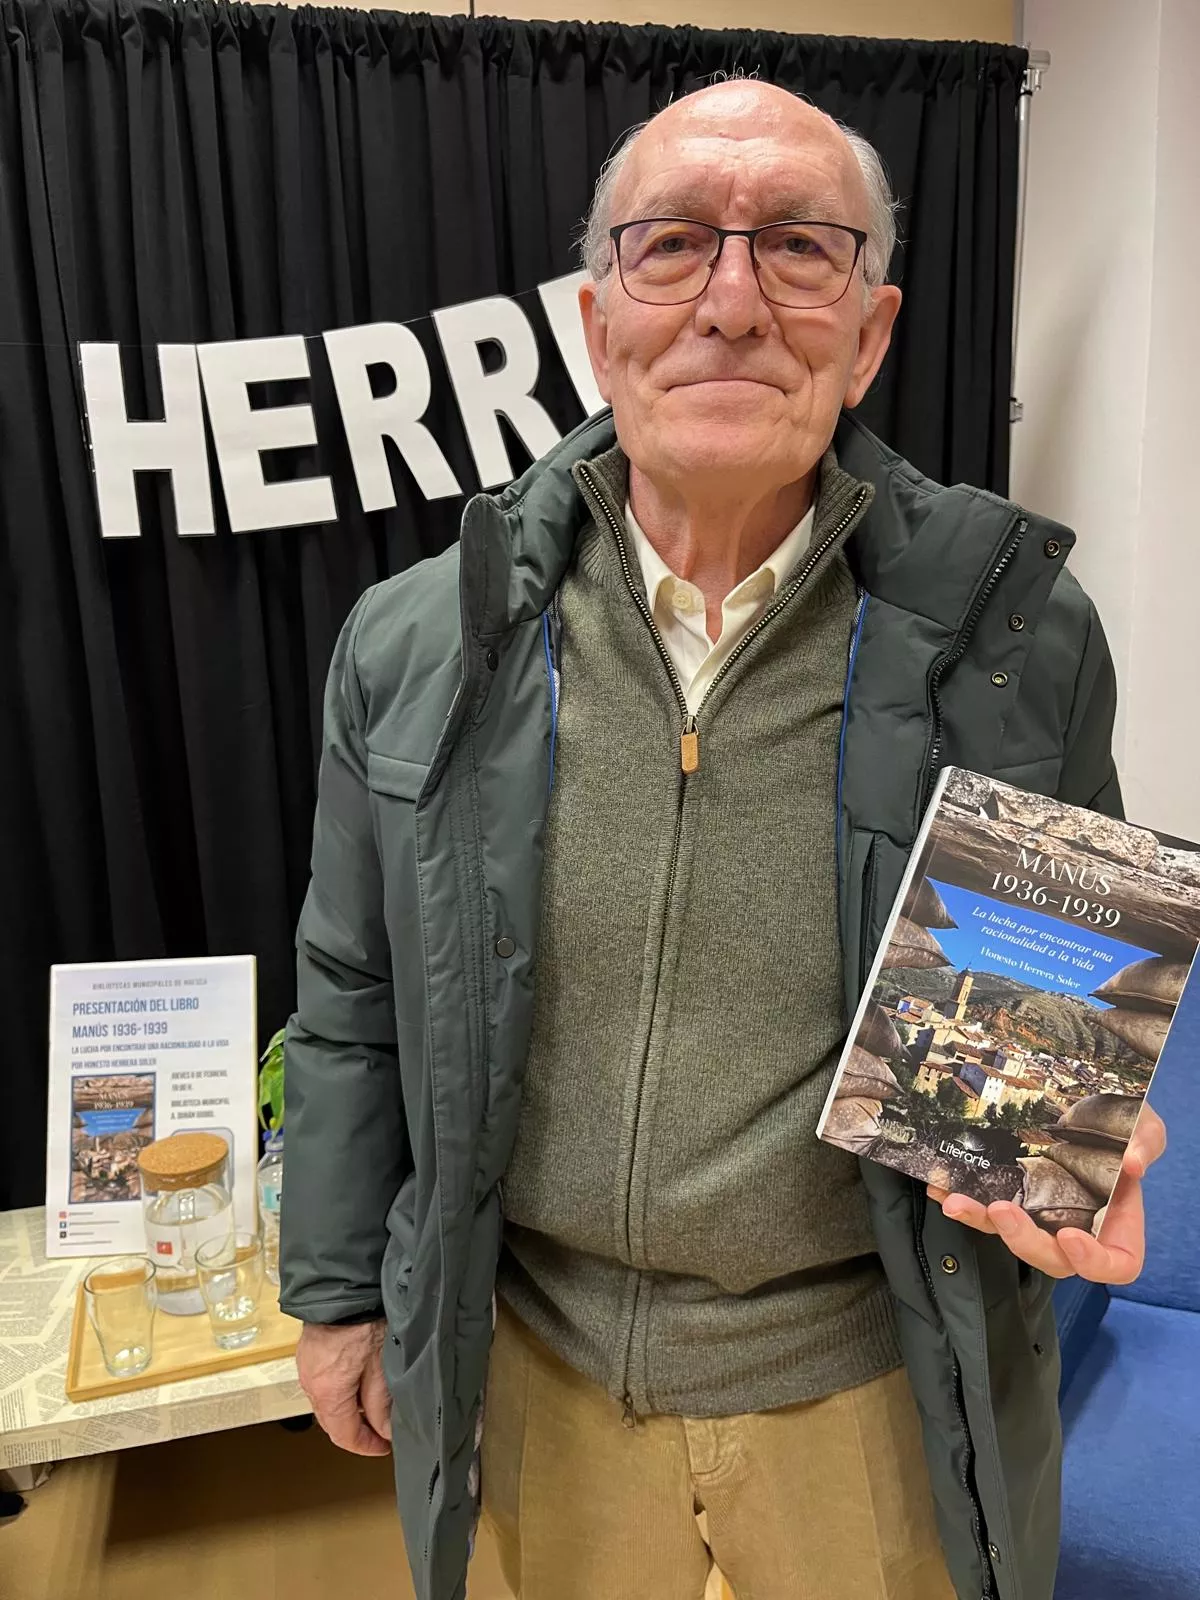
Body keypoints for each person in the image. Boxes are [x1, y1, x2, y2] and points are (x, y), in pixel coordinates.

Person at [280, 80, 1166, 1600]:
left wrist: (1062, 1165)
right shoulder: (421, 635)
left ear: (873, 330)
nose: (734, 302)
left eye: (801, 250)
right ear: (595, 318)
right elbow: (353, 992)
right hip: (538, 1369)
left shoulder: (1010, 632)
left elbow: (1041, 1013)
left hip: (871, 1378)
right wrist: (341, 1292)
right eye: (675, 244)